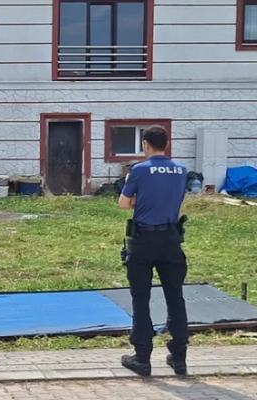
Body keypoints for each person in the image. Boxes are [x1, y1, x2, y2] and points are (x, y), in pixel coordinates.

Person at [118, 125, 189, 377]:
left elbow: (123, 203)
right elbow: (176, 198)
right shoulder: (181, 170)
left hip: (143, 240)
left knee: (141, 297)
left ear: (145, 144)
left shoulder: (139, 170)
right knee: (175, 296)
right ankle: (179, 358)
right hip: (171, 240)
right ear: (167, 144)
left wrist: (142, 200)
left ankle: (142, 357)